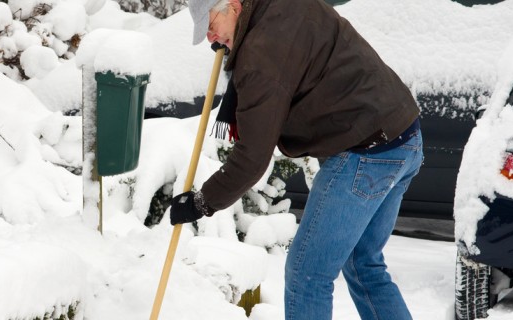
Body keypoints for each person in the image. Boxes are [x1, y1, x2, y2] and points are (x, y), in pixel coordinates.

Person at [168, 0, 424, 319]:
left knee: (307, 276)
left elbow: (251, 158)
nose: (211, 39)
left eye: (210, 26)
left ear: (233, 6)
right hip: (404, 136)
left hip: (367, 151)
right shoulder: (277, 8)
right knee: (364, 264)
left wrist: (201, 202)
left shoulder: (260, 53)